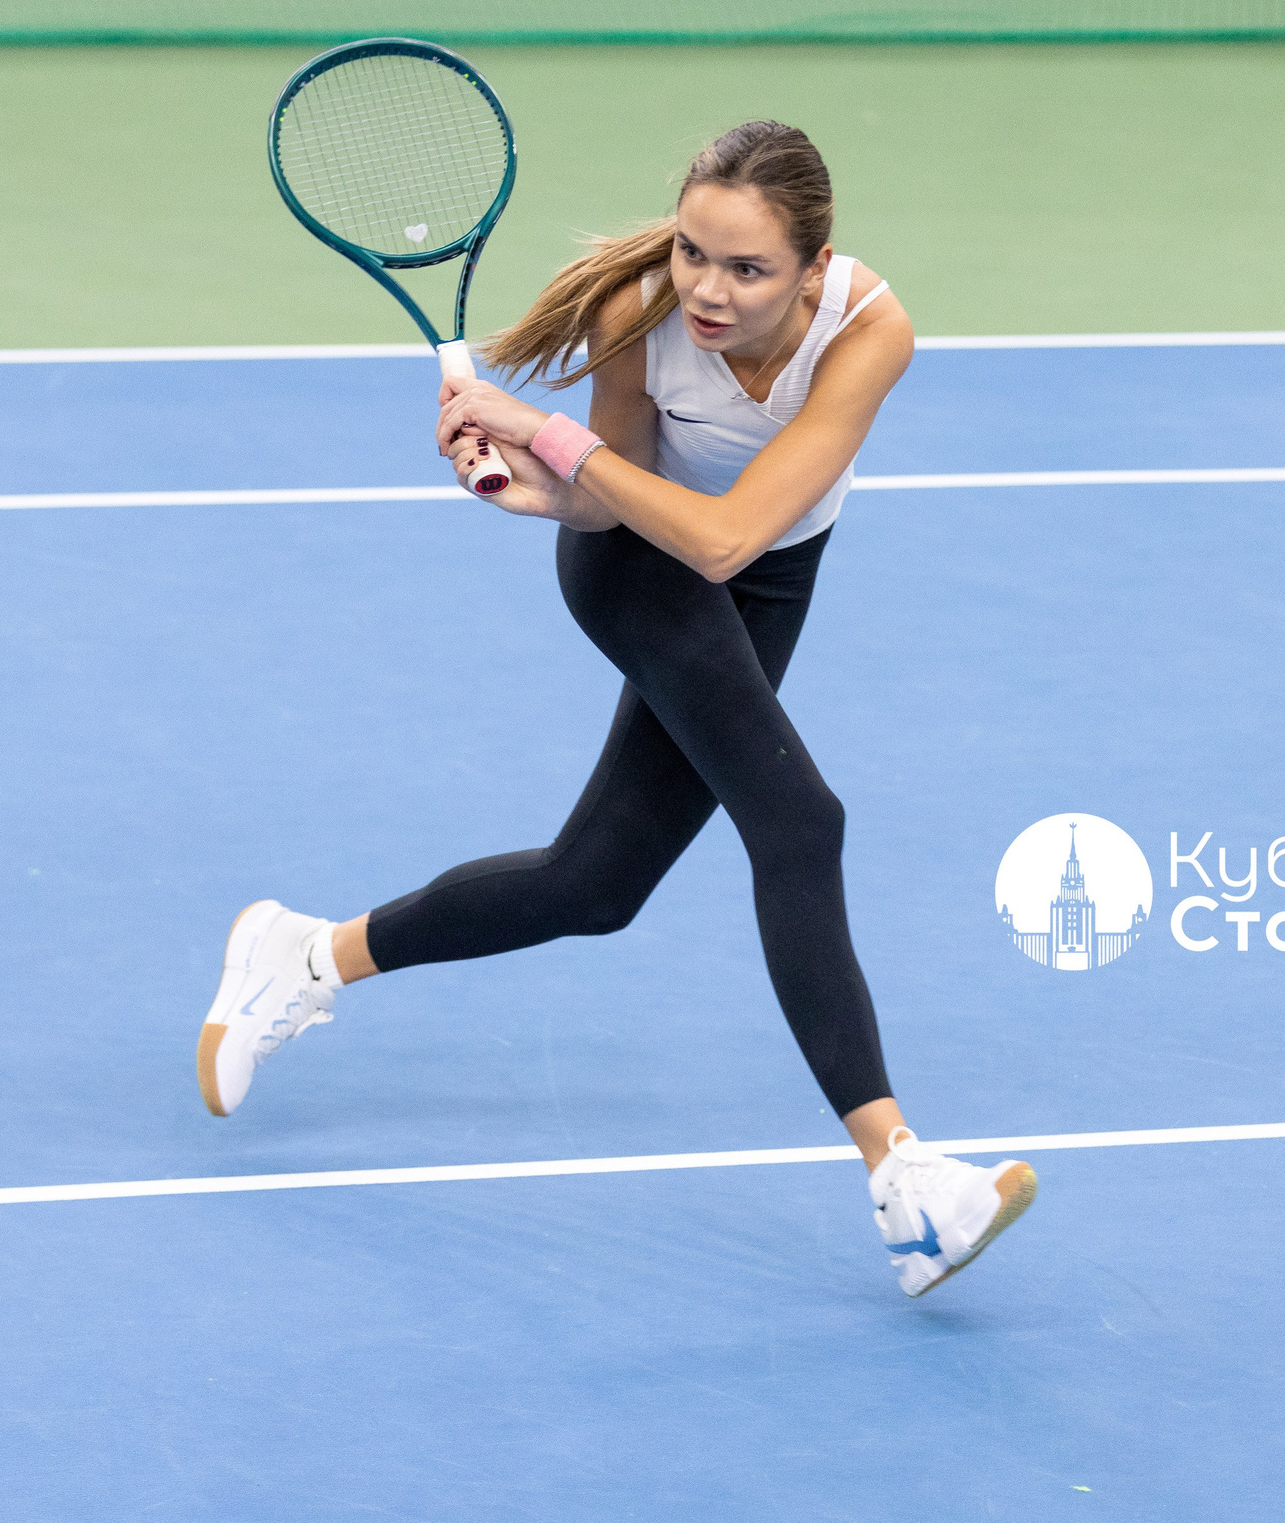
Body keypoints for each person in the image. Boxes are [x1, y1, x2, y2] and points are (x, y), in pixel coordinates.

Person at [197, 121, 1033, 1296]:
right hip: (635, 571)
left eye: (747, 268)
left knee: (594, 885)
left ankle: (304, 955)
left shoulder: (868, 331)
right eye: (693, 252)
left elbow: (731, 538)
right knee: (800, 820)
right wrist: (541, 494)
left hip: (758, 572)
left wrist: (540, 435)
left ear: (813, 266)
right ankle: (903, 1178)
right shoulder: (634, 311)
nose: (707, 288)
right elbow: (609, 502)